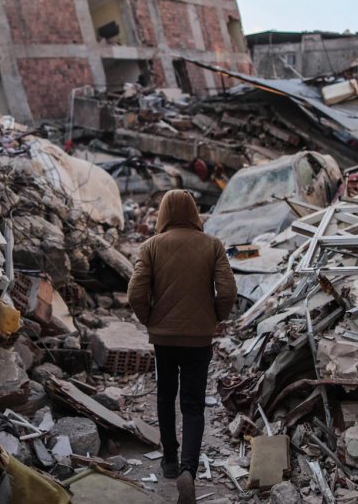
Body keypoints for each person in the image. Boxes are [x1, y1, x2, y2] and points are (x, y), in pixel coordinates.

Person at [128, 190, 237, 504]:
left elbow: (136, 292)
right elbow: (228, 290)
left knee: (165, 395)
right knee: (193, 404)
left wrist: (150, 319)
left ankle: (170, 462)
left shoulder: (150, 247)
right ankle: (189, 469)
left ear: (162, 214)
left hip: (164, 340)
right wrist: (215, 317)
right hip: (198, 339)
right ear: (193, 213)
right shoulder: (213, 245)